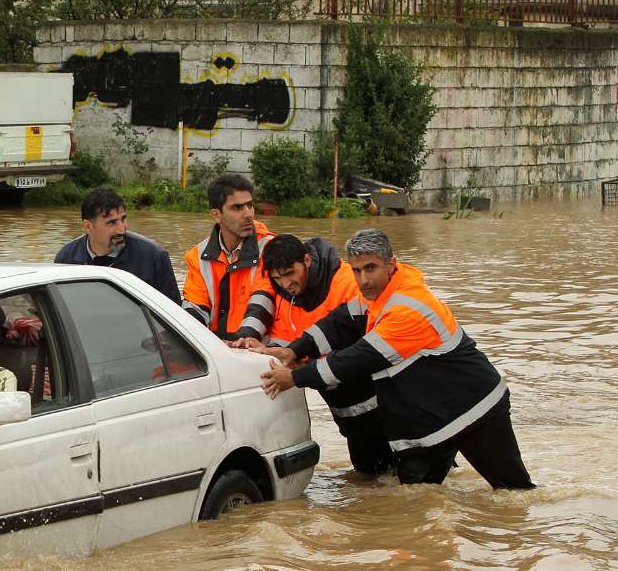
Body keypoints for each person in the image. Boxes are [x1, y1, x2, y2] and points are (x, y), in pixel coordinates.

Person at [259, 228, 534, 490]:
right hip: (433, 423)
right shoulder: (377, 294)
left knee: (514, 490)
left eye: (370, 268)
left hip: (478, 411)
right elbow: (340, 321)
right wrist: (295, 349)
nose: (363, 279)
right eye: (356, 270)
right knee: (411, 503)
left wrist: (295, 377)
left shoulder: (406, 307)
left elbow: (357, 359)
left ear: (390, 264)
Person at [237, 233, 392, 476]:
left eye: (290, 274)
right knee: (370, 478)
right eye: (278, 278)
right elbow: (291, 335)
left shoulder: (348, 285)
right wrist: (256, 344)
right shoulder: (285, 293)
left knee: (405, 473)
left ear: (307, 261)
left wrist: (298, 371)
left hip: (382, 402)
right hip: (346, 408)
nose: (286, 283)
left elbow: (359, 349)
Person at [182, 173, 276, 340]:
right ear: (216, 215)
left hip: (258, 351)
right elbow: (195, 308)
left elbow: (263, 301)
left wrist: (241, 342)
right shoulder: (198, 255)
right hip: (216, 349)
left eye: (250, 205)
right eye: (237, 208)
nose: (248, 214)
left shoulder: (271, 248)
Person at [54, 187, 181, 304]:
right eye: (111, 222)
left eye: (123, 219)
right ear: (88, 226)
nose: (122, 229)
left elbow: (173, 314)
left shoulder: (154, 256)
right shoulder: (66, 258)